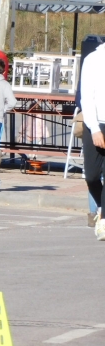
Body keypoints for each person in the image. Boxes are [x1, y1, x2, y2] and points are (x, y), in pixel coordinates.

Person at [78, 42, 105, 240]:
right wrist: (95, 129)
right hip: (95, 124)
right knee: (92, 176)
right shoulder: (93, 59)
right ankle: (101, 205)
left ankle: (103, 221)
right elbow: (86, 98)